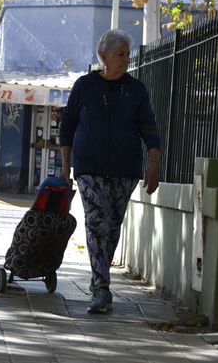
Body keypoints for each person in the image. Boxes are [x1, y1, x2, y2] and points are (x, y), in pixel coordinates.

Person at [59, 28, 161, 314]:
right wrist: (66, 166)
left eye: (127, 54)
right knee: (97, 223)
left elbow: (149, 127)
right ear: (103, 57)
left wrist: (154, 164)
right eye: (120, 54)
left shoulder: (136, 90)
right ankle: (101, 287)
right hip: (89, 168)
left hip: (125, 169)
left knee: (112, 226)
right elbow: (67, 126)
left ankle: (100, 280)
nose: (126, 59)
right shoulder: (84, 86)